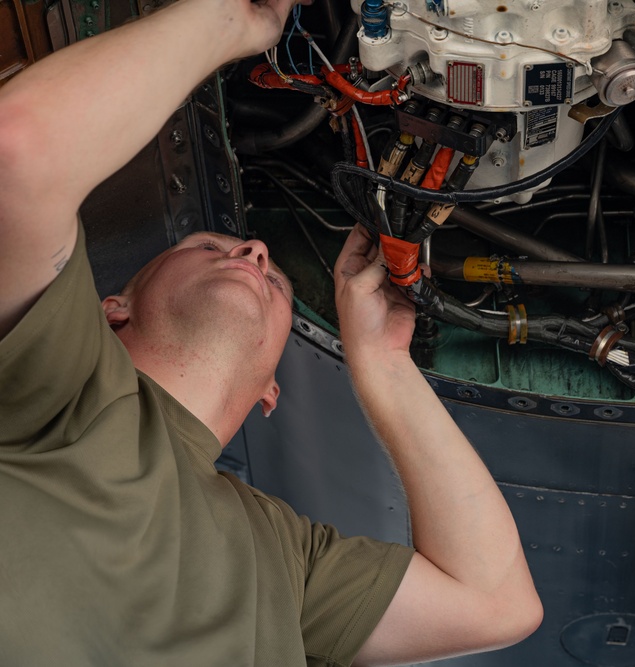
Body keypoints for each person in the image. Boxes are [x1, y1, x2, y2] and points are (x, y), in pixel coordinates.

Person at [0, 0, 543, 664]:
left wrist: (381, 363)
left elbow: (497, 602)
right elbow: (16, 153)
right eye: (210, 246)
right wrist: (233, 20)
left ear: (271, 392)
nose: (255, 251)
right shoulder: (54, 387)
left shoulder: (280, 554)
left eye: (277, 281)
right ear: (112, 310)